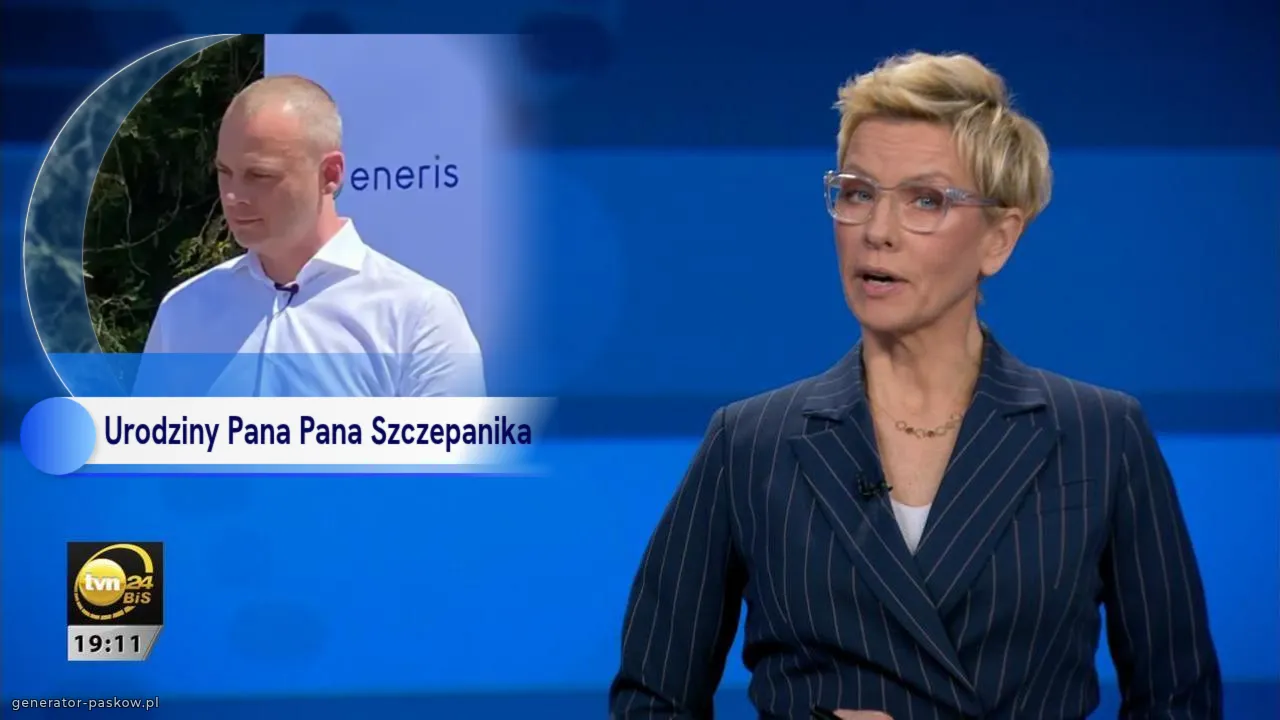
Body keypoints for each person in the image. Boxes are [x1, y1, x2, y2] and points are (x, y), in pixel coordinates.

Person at [609, 52, 1221, 719]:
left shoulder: (1100, 435)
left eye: (926, 201)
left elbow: (1179, 704)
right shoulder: (750, 443)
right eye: (857, 193)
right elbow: (651, 701)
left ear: (999, 238)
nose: (877, 232)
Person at [140, 74, 486, 397]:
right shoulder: (183, 311)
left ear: (330, 174)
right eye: (224, 172)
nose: (233, 196)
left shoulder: (417, 316)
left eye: (259, 175)